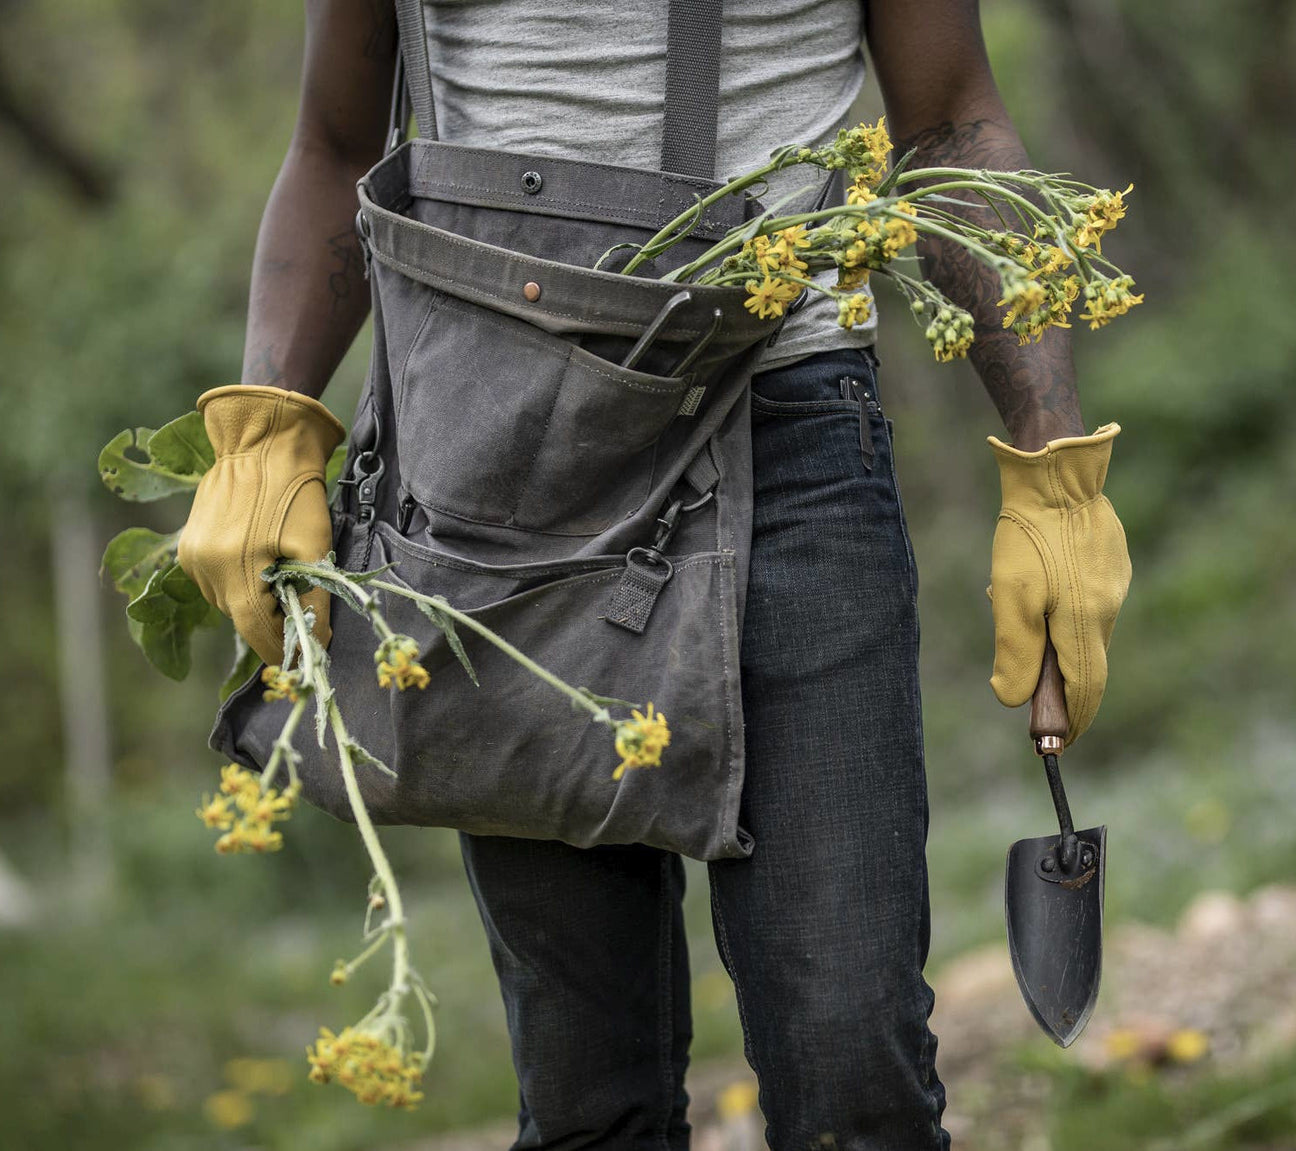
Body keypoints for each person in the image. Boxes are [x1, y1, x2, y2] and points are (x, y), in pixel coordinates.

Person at [179, 2, 1132, 1147]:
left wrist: (1053, 469)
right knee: (590, 1097)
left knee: (851, 1062)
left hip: (790, 436)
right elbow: (335, 144)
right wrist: (268, 421)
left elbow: (947, 121)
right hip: (499, 458)